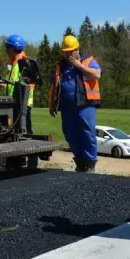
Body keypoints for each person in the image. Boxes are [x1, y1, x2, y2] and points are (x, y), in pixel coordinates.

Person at [48, 35, 102, 172]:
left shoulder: (88, 61)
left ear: (77, 49)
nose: (68, 54)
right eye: (66, 51)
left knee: (87, 132)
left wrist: (79, 66)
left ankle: (90, 163)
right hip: (67, 106)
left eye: (71, 51)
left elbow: (97, 75)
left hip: (85, 105)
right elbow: (53, 86)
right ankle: (79, 160)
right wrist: (52, 104)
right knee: (69, 133)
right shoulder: (60, 66)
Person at [2, 34, 42, 168]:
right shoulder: (10, 63)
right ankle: (16, 162)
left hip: (24, 105)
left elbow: (27, 83)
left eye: (7, 47)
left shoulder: (26, 63)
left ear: (14, 48)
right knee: (11, 134)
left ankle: (32, 164)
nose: (6, 49)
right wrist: (4, 84)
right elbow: (13, 81)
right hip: (10, 104)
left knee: (26, 133)